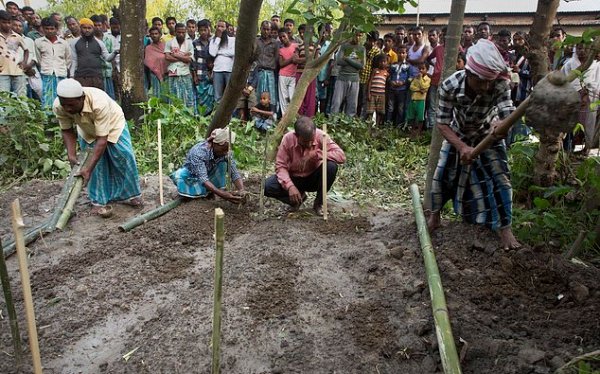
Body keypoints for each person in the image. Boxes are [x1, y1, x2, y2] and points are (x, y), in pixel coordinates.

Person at [428, 39, 520, 250]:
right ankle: (435, 216)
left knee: (501, 178)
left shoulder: (499, 84)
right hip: (457, 133)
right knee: (443, 175)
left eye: (489, 82)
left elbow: (507, 111)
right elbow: (442, 123)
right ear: (469, 73)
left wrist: (501, 124)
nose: (485, 87)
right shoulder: (450, 86)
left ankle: (505, 229)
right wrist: (461, 147)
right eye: (481, 82)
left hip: (489, 135)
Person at [53, 79, 143, 215]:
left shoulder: (98, 102)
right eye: (64, 105)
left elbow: (102, 140)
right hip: (87, 129)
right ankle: (99, 200)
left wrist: (87, 169)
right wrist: (71, 155)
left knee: (123, 157)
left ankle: (130, 196)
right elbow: (66, 130)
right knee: (95, 165)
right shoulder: (59, 106)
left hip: (113, 125)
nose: (68, 109)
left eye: (71, 105)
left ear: (82, 98)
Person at [265, 116, 346, 216]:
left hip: (313, 178)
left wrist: (318, 154)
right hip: (294, 178)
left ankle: (318, 204)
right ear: (296, 136)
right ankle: (297, 200)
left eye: (311, 141)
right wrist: (290, 186)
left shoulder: (321, 136)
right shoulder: (288, 139)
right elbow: (281, 166)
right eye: (305, 142)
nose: (309, 144)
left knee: (331, 167)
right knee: (267, 186)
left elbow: (341, 156)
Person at [170, 127, 245, 202]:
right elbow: (203, 179)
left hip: (208, 174)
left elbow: (234, 172)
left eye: (227, 150)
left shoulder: (226, 153)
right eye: (223, 149)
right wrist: (222, 194)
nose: (225, 153)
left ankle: (210, 191)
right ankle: (197, 193)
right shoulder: (199, 152)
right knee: (186, 186)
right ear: (215, 144)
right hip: (192, 176)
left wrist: (241, 190)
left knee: (224, 164)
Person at [71, 18, 117, 90]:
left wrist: (115, 52)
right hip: (81, 77)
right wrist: (71, 76)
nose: (87, 30)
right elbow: (74, 60)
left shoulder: (99, 43)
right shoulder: (74, 42)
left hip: (96, 77)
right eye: (84, 28)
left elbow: (107, 58)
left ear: (93, 29)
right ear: (80, 28)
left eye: (89, 28)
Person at [35, 17, 70, 108]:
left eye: (52, 29)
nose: (49, 31)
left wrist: (64, 68)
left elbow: (68, 59)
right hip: (46, 74)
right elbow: (38, 59)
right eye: (47, 29)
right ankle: (48, 118)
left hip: (61, 74)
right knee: (47, 96)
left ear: (56, 29)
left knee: (62, 96)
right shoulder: (38, 42)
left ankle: (62, 118)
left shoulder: (63, 43)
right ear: (42, 28)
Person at [330, 31, 365, 116]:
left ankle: (348, 124)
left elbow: (361, 65)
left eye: (360, 36)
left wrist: (347, 59)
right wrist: (355, 61)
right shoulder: (344, 46)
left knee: (352, 105)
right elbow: (339, 61)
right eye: (356, 35)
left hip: (354, 79)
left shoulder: (361, 48)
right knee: (336, 103)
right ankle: (332, 123)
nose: (358, 38)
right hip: (342, 77)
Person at [165, 23, 195, 108]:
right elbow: (167, 57)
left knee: (188, 97)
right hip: (173, 73)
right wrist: (183, 57)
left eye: (183, 32)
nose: (181, 34)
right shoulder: (169, 43)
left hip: (185, 73)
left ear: (185, 32)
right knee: (174, 97)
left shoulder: (189, 43)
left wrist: (175, 55)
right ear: (175, 32)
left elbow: (189, 59)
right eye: (179, 32)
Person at [0, 10, 28, 96]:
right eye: (4, 22)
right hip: (2, 72)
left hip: (17, 71)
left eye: (9, 22)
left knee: (21, 97)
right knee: (4, 98)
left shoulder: (17, 36)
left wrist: (24, 63)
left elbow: (26, 50)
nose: (7, 25)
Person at [254, 20, 279, 111]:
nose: (266, 31)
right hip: (258, 72)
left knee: (271, 95)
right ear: (260, 29)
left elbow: (276, 58)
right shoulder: (256, 41)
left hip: (270, 72)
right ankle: (257, 115)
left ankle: (271, 116)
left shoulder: (275, 43)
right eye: (264, 29)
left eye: (268, 29)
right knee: (258, 94)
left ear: (271, 30)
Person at [209, 20, 235, 103]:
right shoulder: (213, 40)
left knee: (230, 95)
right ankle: (217, 114)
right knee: (217, 96)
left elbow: (233, 52)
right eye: (218, 26)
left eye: (222, 27)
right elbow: (212, 53)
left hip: (229, 70)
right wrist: (218, 38)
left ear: (226, 28)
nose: (220, 29)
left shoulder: (232, 40)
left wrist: (219, 52)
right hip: (217, 70)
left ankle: (231, 115)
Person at [192, 19, 214, 114]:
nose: (204, 32)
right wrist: (195, 75)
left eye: (205, 29)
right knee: (200, 97)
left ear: (209, 29)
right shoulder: (195, 43)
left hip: (211, 76)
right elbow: (193, 61)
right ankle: (200, 117)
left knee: (211, 97)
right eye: (201, 30)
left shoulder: (213, 42)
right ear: (198, 30)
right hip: (200, 74)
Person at [387, 44, 412, 126]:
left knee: (401, 108)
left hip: (402, 90)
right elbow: (389, 75)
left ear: (406, 54)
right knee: (391, 107)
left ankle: (399, 126)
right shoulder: (393, 64)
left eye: (403, 53)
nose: (401, 55)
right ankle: (388, 125)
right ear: (397, 53)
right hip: (392, 89)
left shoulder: (408, 66)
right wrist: (391, 81)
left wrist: (403, 82)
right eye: (400, 53)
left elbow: (410, 77)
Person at [358, 31, 380, 119]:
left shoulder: (377, 51)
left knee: (365, 101)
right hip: (358, 78)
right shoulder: (361, 48)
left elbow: (375, 68)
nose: (372, 43)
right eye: (370, 40)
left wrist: (371, 81)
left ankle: (363, 120)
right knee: (357, 101)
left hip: (368, 80)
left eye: (374, 41)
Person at [406, 62, 431, 136]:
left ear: (427, 70)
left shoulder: (427, 79)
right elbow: (411, 87)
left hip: (421, 100)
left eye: (423, 69)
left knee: (420, 117)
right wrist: (419, 90)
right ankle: (413, 130)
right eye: (419, 69)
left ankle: (419, 131)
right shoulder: (415, 78)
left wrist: (420, 79)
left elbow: (424, 87)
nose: (421, 70)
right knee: (412, 116)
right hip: (413, 99)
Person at [278, 29, 298, 115]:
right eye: (280, 37)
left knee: (292, 97)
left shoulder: (296, 46)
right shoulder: (281, 50)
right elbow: (281, 64)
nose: (282, 39)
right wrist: (291, 59)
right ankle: (284, 117)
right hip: (282, 75)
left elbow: (297, 59)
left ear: (288, 36)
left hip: (293, 76)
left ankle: (291, 117)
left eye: (284, 36)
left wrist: (294, 59)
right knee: (283, 98)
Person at [366, 53, 388, 127]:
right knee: (370, 111)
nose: (382, 63)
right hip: (373, 94)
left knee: (379, 111)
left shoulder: (386, 73)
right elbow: (370, 82)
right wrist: (368, 93)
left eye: (384, 62)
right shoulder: (375, 71)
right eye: (381, 62)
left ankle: (377, 126)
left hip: (381, 94)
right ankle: (369, 125)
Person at [144, 26, 167, 97]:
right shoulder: (148, 48)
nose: (154, 35)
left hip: (167, 74)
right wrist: (158, 74)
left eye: (156, 33)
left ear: (160, 35)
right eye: (152, 34)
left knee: (167, 95)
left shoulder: (165, 45)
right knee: (158, 95)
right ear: (150, 35)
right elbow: (149, 62)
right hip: (155, 76)